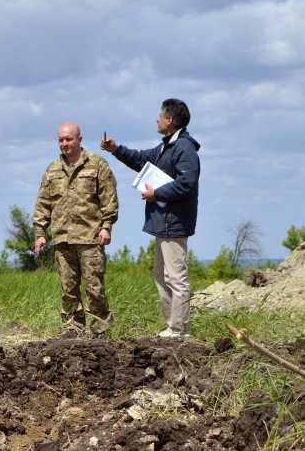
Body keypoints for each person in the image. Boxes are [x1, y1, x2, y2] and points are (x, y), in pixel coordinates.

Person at [101, 99, 200, 337]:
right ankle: (173, 325)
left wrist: (158, 193)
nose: (156, 118)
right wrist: (116, 149)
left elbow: (187, 182)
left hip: (174, 223)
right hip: (163, 224)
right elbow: (140, 159)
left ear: (169, 120)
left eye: (160, 115)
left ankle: (179, 329)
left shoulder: (184, 148)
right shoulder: (166, 146)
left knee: (176, 277)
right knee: (160, 275)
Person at [33, 121, 119, 338]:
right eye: (61, 140)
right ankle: (73, 328)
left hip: (91, 238)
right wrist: (40, 233)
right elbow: (43, 203)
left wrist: (106, 227)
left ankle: (101, 329)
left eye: (68, 139)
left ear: (79, 139)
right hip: (62, 239)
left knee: (94, 288)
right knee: (68, 288)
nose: (64, 144)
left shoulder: (97, 165)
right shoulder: (52, 170)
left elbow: (109, 199)